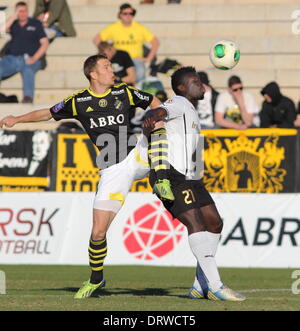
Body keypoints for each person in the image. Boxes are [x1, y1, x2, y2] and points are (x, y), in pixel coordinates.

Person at [0, 54, 162, 299]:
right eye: (106, 67)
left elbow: (153, 101)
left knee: (167, 141)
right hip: (112, 171)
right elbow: (47, 113)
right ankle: (96, 279)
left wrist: (158, 118)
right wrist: (17, 119)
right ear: (93, 74)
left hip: (136, 155)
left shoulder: (124, 92)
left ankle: (164, 178)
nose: (111, 70)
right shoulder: (79, 101)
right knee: (97, 233)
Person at [143, 66, 245, 301]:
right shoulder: (178, 102)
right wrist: (153, 117)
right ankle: (216, 286)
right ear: (181, 87)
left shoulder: (191, 108)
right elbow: (159, 112)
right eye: (195, 81)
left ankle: (200, 285)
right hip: (172, 176)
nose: (201, 85)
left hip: (191, 177)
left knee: (214, 222)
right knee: (196, 224)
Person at [93, 3, 160, 85]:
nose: (128, 15)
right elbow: (96, 39)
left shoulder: (139, 28)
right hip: (119, 59)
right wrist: (107, 51)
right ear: (120, 15)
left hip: (135, 59)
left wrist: (148, 59)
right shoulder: (113, 27)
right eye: (125, 13)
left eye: (131, 13)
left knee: (140, 73)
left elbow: (155, 42)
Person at [0, 1, 49, 103]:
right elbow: (1, 30)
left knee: (28, 70)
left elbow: (45, 43)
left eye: (25, 11)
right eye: (20, 11)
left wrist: (34, 58)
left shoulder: (35, 23)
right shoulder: (13, 24)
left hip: (31, 59)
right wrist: (14, 17)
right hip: (12, 59)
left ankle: (28, 99)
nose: (23, 13)